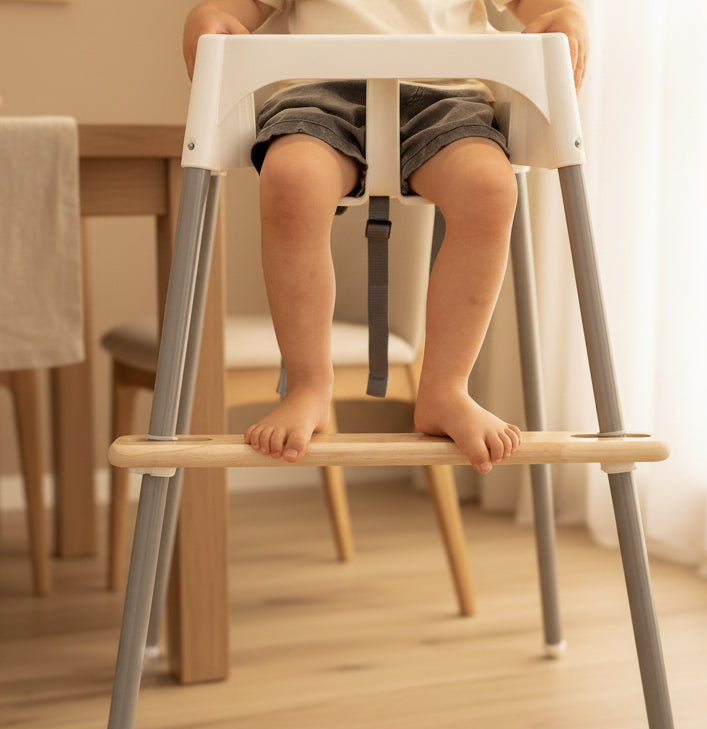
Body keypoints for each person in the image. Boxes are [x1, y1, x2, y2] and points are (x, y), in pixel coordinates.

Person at [183, 0, 588, 474]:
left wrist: (566, 16)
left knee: (490, 188)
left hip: (448, 98)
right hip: (317, 94)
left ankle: (446, 388)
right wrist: (207, 18)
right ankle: (308, 385)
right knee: (292, 179)